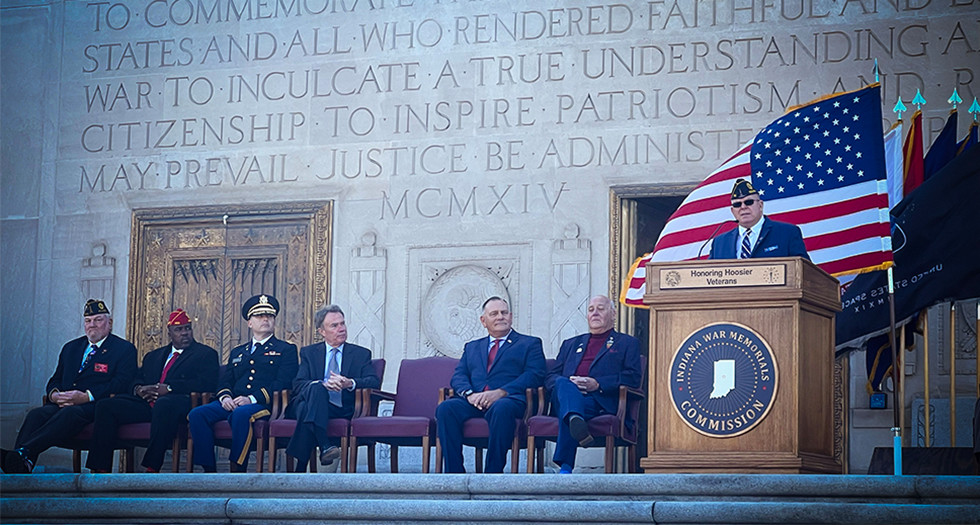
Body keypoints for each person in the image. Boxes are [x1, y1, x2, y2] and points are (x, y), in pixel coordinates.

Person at [1, 299, 137, 474]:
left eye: (98, 320)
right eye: (88, 321)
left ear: (109, 323)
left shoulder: (123, 349)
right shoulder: (71, 348)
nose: (92, 325)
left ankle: (22, 452)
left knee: (70, 414)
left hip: (95, 407)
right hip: (63, 403)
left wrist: (86, 396)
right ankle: (22, 464)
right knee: (36, 414)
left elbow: (121, 383)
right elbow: (55, 379)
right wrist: (55, 395)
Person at [85, 309, 219, 473]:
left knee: (164, 404)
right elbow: (136, 379)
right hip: (147, 403)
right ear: (169, 333)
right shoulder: (153, 356)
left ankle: (152, 466)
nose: (184, 333)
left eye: (187, 328)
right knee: (106, 406)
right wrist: (139, 389)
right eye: (179, 329)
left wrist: (169, 388)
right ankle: (100, 468)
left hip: (179, 404)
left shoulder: (205, 354)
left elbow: (207, 382)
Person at [187, 294, 298, 472]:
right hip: (232, 402)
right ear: (249, 323)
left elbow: (284, 382)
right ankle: (208, 471)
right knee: (197, 414)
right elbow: (226, 380)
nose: (265, 319)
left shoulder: (285, 349)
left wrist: (251, 399)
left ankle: (237, 468)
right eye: (259, 316)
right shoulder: (238, 351)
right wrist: (225, 397)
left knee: (241, 414)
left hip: (263, 404)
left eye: (269, 316)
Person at [436, 296, 546, 473]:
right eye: (494, 314)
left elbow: (535, 375)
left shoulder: (529, 343)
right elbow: (459, 376)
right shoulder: (472, 347)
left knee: (501, 408)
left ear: (510, 316)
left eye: (503, 313)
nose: (500, 317)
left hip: (510, 400)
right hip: (475, 401)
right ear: (483, 320)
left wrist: (501, 392)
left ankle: (492, 474)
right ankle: (454, 474)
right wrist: (470, 395)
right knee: (446, 409)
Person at [545, 295, 642, 473]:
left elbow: (633, 377)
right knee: (563, 383)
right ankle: (575, 423)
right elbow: (551, 376)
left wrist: (597, 384)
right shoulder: (570, 344)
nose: (595, 313)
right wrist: (567, 384)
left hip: (598, 401)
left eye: (600, 309)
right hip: (564, 397)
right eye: (591, 310)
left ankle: (566, 466)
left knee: (572, 410)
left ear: (613, 314)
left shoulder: (627, 343)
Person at [285, 304, 379, 472]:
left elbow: (373, 382)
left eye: (342, 324)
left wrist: (349, 383)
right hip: (307, 404)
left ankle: (302, 465)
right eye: (334, 326)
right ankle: (324, 445)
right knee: (316, 389)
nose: (341, 328)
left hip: (340, 408)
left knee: (307, 408)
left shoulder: (360, 354)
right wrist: (323, 385)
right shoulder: (309, 353)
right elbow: (298, 384)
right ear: (322, 331)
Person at [709, 178, 810, 260]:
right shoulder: (719, 242)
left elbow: (804, 271)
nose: (743, 207)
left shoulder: (787, 233)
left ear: (760, 205)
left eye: (748, 202)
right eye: (737, 204)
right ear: (732, 211)